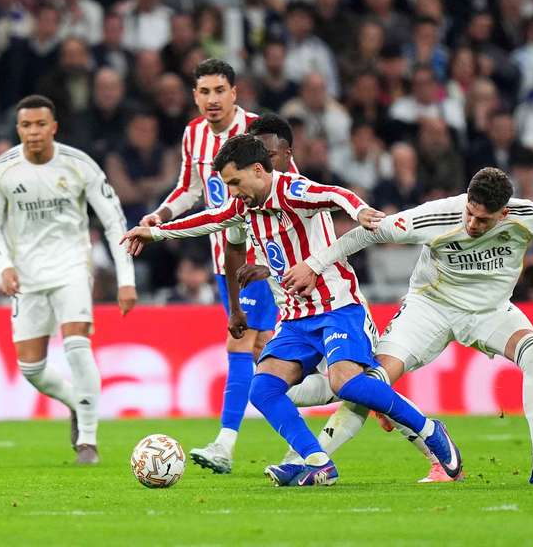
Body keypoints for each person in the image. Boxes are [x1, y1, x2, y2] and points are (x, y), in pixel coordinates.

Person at [121, 134, 462, 486]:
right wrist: (156, 233)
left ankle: (431, 430)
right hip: (297, 318)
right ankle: (318, 462)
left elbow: (335, 193)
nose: (233, 192)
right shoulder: (242, 207)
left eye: (235, 182)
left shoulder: (292, 190)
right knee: (262, 388)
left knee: (346, 382)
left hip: (338, 307)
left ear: (257, 170)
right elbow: (209, 218)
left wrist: (358, 210)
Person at [282, 167, 533, 484]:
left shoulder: (530, 216)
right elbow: (370, 233)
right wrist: (314, 265)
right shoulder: (438, 216)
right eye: (469, 213)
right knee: (369, 384)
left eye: (483, 220)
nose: (471, 224)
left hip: (490, 311)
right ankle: (311, 460)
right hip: (430, 308)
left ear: (504, 212)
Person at [0, 95, 136, 465]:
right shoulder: (4, 170)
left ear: (54, 127)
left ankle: (89, 442)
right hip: (27, 276)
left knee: (77, 345)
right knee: (31, 368)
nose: (33, 132)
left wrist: (126, 278)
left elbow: (114, 221)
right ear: (18, 130)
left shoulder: (79, 165)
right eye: (26, 126)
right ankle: (76, 404)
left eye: (40, 125)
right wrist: (3, 265)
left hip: (71, 268)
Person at [139, 59, 273, 474]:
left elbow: (288, 185)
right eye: (204, 92)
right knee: (265, 348)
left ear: (235, 92)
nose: (212, 100)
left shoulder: (259, 132)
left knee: (241, 344)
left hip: (262, 256)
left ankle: (225, 444)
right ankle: (322, 429)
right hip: (224, 256)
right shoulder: (193, 134)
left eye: (219, 90)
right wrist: (161, 214)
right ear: (194, 96)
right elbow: (189, 188)